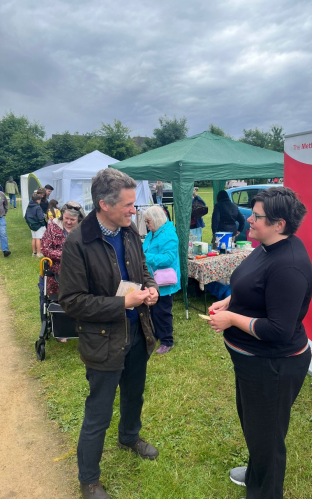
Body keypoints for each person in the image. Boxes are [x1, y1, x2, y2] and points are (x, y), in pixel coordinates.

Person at [208, 187, 312, 499]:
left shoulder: (289, 265)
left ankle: (264, 491)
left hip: (274, 365)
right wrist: (229, 302)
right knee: (256, 427)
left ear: (278, 224)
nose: (249, 220)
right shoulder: (266, 246)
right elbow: (250, 288)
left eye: (256, 217)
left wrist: (232, 320)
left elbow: (280, 329)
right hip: (252, 363)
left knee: (267, 436)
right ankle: (256, 472)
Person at [58, 168, 159, 499]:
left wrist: (150, 287)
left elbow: (141, 269)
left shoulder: (129, 231)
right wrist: (122, 304)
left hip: (137, 332)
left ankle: (129, 437)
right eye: (129, 205)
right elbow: (71, 301)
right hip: (103, 339)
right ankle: (89, 479)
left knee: (134, 395)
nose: (135, 210)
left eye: (135, 204)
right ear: (104, 204)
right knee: (98, 412)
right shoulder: (78, 242)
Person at [143, 205, 181, 354]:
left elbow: (168, 258)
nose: (146, 224)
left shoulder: (169, 235)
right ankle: (156, 334)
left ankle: (167, 341)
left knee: (162, 312)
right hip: (153, 279)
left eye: (148, 221)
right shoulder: (152, 233)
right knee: (153, 310)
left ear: (157, 220)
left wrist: (146, 257)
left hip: (164, 281)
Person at [41, 201, 85, 296]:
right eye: (66, 218)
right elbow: (45, 249)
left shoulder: (84, 229)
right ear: (62, 215)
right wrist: (66, 255)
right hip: (55, 271)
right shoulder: (53, 226)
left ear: (79, 218)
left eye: (72, 219)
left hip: (79, 272)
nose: (68, 222)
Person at [25, 192, 47, 257]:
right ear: (38, 200)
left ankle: (34, 252)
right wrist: (43, 223)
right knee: (38, 238)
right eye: (40, 200)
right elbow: (41, 218)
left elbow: (26, 216)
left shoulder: (29, 206)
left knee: (34, 238)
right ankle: (39, 253)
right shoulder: (38, 207)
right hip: (38, 225)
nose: (40, 201)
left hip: (31, 225)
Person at [0, 190, 11, 257]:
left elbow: (5, 204)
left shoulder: (1, 194)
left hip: (1, 217)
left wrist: (4, 213)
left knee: (3, 234)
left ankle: (5, 251)